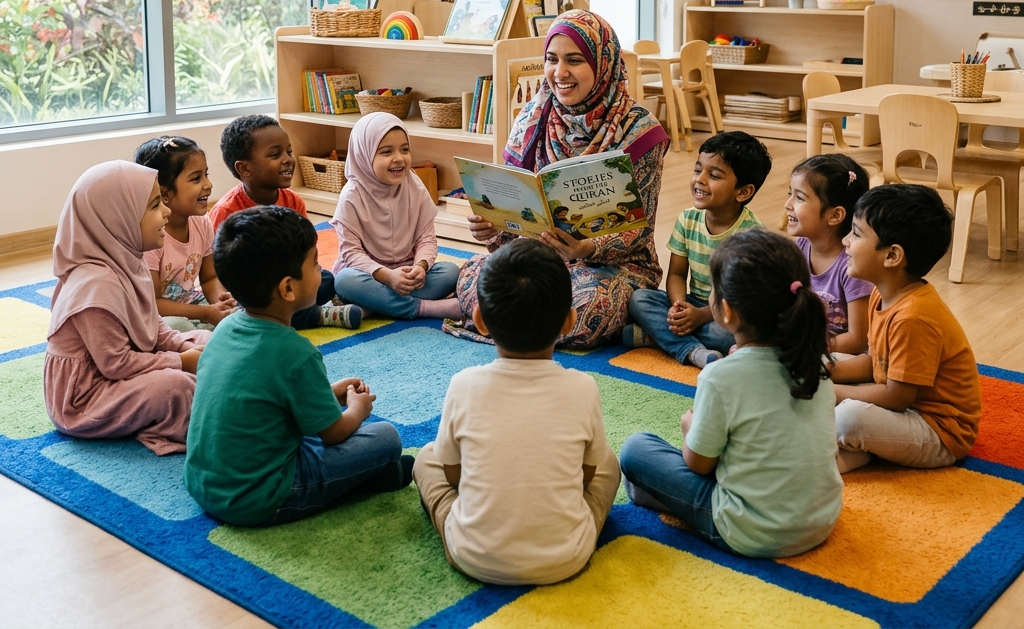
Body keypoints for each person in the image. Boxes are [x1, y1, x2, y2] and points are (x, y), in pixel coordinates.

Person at [446, 10, 669, 348]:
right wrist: (493, 228)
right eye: (551, 59)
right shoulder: (531, 118)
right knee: (472, 275)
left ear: (603, 63)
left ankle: (502, 325)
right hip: (536, 257)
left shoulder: (639, 130)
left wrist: (585, 248)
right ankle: (540, 328)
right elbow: (514, 209)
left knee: (591, 306)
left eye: (575, 60)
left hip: (609, 266)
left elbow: (640, 231)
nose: (559, 73)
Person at [620, 229, 843, 558]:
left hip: (751, 530)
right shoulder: (815, 361)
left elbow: (698, 464)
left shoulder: (719, 376)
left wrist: (688, 427)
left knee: (636, 450)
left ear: (727, 312)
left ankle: (663, 497)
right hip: (821, 520)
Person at [184, 206, 412, 526]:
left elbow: (266, 399)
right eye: (317, 263)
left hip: (204, 485)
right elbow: (333, 433)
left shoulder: (224, 329)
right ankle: (369, 478)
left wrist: (327, 392)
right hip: (262, 496)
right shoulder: (295, 351)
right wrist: (358, 409)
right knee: (387, 437)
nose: (322, 271)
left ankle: (373, 476)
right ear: (288, 288)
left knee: (308, 434)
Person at [414, 238, 620, 584]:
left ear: (479, 320)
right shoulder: (583, 387)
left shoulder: (463, 384)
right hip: (566, 558)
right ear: (569, 322)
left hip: (473, 555)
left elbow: (452, 475)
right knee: (609, 463)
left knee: (426, 458)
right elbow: (585, 476)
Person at [43, 161, 211, 455]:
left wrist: (187, 347)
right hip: (87, 397)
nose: (167, 212)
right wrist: (182, 361)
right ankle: (224, 426)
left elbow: (155, 327)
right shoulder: (94, 287)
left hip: (124, 371)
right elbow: (116, 364)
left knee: (211, 342)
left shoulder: (129, 261)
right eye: (156, 205)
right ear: (118, 218)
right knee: (176, 387)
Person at [831, 185, 982, 473]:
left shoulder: (913, 317)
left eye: (856, 233)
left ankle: (848, 444)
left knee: (848, 416)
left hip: (937, 431)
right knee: (829, 364)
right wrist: (826, 371)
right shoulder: (882, 292)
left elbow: (896, 398)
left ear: (892, 256)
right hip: (902, 406)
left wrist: (830, 392)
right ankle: (853, 453)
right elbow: (875, 364)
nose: (845, 241)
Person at [626, 131, 771, 367]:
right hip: (692, 303)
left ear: (743, 192)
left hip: (726, 313)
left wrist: (700, 316)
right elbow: (676, 274)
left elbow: (743, 300)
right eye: (697, 170)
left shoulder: (751, 236)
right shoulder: (687, 219)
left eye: (713, 175)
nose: (700, 179)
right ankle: (694, 350)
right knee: (640, 299)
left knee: (734, 333)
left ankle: (662, 337)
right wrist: (679, 307)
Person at [208, 114, 359, 330]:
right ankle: (317, 315)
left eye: (289, 151)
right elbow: (219, 269)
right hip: (253, 292)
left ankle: (299, 312)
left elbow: (306, 252)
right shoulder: (226, 211)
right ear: (244, 168)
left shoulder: (293, 202)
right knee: (246, 308)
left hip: (289, 282)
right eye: (275, 154)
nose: (288, 159)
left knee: (327, 280)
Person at [331, 114, 461, 320]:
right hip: (369, 275)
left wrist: (421, 267)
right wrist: (388, 276)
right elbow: (351, 253)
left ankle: (375, 305)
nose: (399, 158)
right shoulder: (352, 195)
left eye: (405, 149)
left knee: (451, 272)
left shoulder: (414, 185)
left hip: (407, 272)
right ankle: (423, 308)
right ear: (364, 155)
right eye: (386, 152)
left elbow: (426, 239)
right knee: (344, 281)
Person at [134, 136, 236, 332]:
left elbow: (209, 278)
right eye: (196, 178)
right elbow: (154, 303)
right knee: (178, 326)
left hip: (192, 302)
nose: (208, 184)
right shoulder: (150, 235)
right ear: (164, 194)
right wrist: (206, 314)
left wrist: (221, 304)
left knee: (244, 309)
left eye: (206, 174)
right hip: (153, 314)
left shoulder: (201, 223)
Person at [784, 154, 872, 355]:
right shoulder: (802, 246)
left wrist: (806, 348)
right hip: (809, 341)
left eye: (799, 198)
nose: (788, 204)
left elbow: (858, 340)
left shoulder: (852, 267)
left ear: (834, 215)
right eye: (790, 194)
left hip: (842, 352)